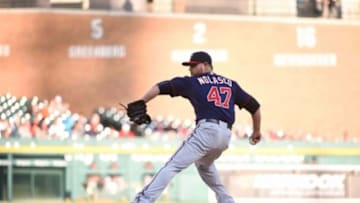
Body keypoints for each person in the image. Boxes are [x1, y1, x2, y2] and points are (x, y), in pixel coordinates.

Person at [127, 51, 262, 203]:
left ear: (205, 66)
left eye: (193, 66)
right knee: (205, 166)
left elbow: (159, 87)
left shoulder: (193, 82)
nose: (190, 70)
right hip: (225, 137)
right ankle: (226, 200)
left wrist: (142, 101)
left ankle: (143, 200)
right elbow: (255, 107)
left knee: (173, 166)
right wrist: (256, 131)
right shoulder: (231, 84)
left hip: (207, 130)